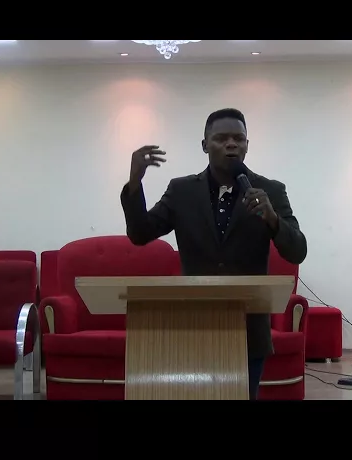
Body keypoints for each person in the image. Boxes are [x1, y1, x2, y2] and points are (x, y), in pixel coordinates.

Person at [120, 108, 307, 399]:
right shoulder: (182, 191)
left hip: (248, 329)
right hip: (192, 325)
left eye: (239, 139)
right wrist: (134, 182)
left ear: (247, 145)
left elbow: (297, 251)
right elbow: (140, 233)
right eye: (221, 138)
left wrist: (273, 219)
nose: (231, 144)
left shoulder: (269, 190)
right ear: (205, 145)